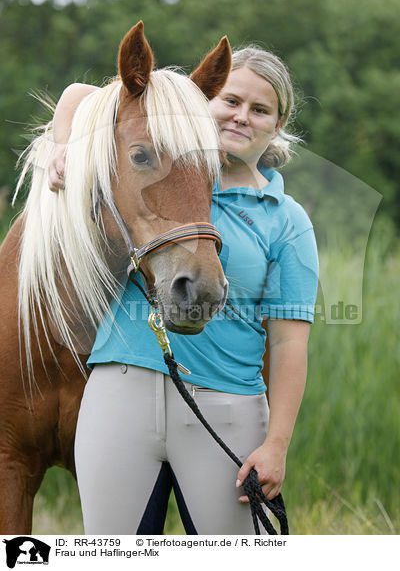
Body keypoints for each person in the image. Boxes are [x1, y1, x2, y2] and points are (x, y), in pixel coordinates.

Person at [48, 45, 319, 535]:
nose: (241, 116)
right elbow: (82, 94)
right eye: (231, 100)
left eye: (260, 110)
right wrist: (64, 143)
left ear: (278, 126)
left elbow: (288, 342)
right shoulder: (161, 170)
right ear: (203, 100)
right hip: (121, 391)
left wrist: (276, 443)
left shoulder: (286, 219)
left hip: (226, 407)